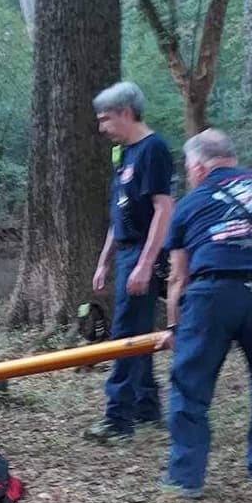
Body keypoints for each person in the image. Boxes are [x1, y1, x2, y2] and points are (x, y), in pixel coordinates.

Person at [157, 129, 252, 497]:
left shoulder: (191, 203)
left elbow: (178, 275)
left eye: (189, 167)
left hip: (211, 296)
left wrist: (174, 326)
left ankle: (186, 478)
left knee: (190, 386)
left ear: (198, 166)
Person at [86, 82, 175, 442]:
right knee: (138, 332)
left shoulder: (153, 149)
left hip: (142, 251)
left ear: (126, 113)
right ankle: (145, 406)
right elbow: (119, 213)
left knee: (125, 334)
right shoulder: (126, 154)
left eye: (105, 119)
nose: (101, 127)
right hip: (125, 250)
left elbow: (163, 209)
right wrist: (104, 261)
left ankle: (118, 421)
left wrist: (145, 262)